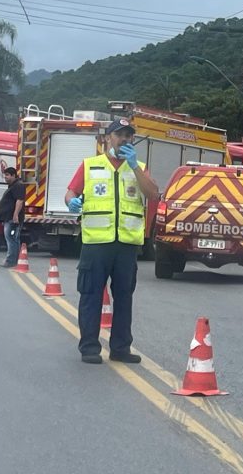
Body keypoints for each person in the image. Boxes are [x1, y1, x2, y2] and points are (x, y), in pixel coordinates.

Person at [65, 118, 159, 364]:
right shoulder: (90, 165)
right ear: (107, 138)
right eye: (119, 135)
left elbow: (153, 194)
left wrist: (135, 167)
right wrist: (71, 202)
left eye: (128, 136)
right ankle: (89, 348)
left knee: (124, 297)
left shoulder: (138, 166)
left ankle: (120, 348)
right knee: (91, 295)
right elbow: (70, 193)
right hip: (96, 244)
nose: (124, 139)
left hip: (126, 245)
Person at [0, 167, 25, 268]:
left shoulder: (18, 186)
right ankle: (14, 260)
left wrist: (15, 215)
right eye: (5, 175)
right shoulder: (13, 185)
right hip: (8, 217)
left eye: (8, 175)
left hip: (12, 218)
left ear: (13, 175)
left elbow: (19, 201)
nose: (5, 177)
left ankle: (10, 260)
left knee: (11, 238)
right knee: (12, 238)